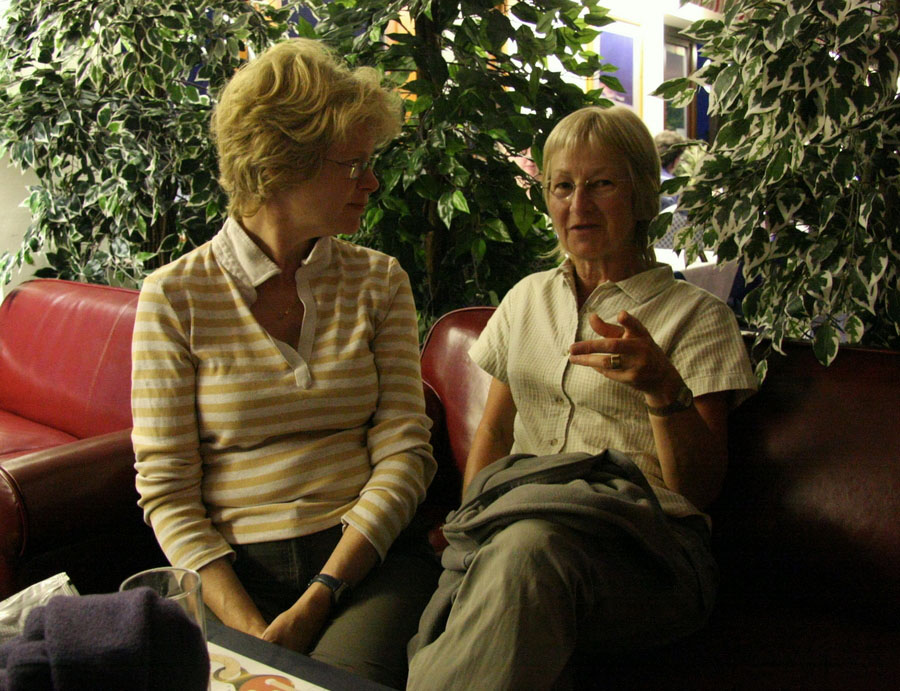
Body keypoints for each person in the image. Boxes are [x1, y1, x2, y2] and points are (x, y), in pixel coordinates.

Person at [406, 106, 757, 690]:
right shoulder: (526, 299)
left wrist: (661, 388)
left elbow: (697, 491)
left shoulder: (697, 317)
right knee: (501, 561)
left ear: (643, 194)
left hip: (650, 553)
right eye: (562, 186)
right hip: (521, 529)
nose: (578, 204)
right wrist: (470, 521)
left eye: (601, 184)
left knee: (525, 553)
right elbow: (494, 430)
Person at [130, 38, 439, 689]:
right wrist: (248, 628)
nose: (372, 182)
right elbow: (168, 490)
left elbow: (406, 451)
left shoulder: (379, 281)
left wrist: (322, 593)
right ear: (278, 166)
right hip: (231, 577)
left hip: (365, 565)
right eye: (353, 165)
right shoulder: (175, 296)